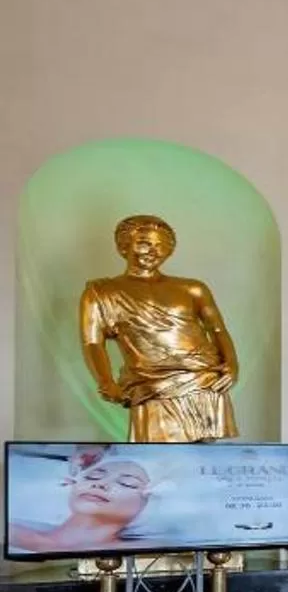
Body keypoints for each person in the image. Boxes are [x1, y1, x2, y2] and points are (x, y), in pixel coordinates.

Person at [78, 215, 239, 442]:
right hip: (150, 385)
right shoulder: (102, 293)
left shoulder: (193, 289)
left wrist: (231, 364)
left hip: (203, 379)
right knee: (156, 454)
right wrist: (106, 381)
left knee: (205, 454)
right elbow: (93, 343)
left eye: (160, 245)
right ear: (124, 246)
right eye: (144, 243)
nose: (153, 251)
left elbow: (218, 331)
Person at [7, 447, 156, 555]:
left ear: (147, 504)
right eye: (93, 476)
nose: (100, 484)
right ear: (72, 485)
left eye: (127, 483)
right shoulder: (10, 532)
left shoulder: (149, 548)